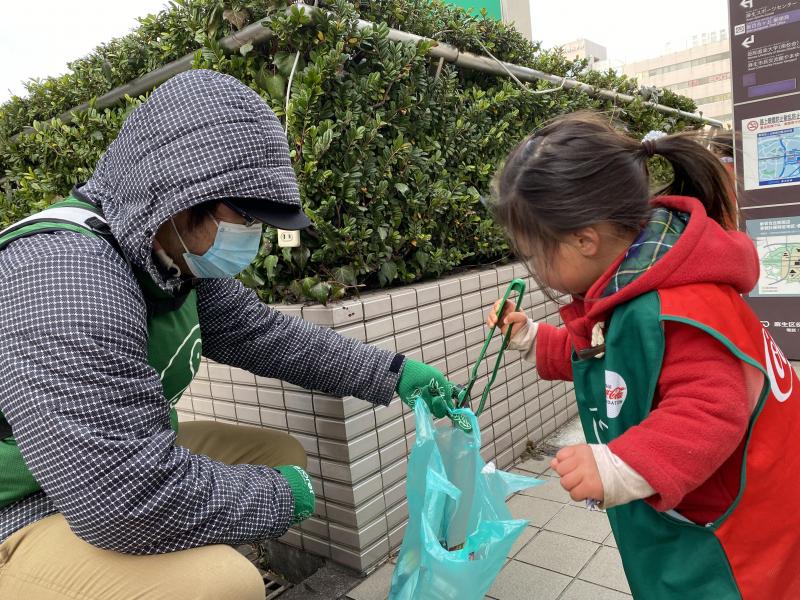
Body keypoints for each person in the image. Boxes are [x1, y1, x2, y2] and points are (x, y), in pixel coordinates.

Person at [0, 69, 459, 599]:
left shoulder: (166, 258)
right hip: (24, 506)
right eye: (243, 215)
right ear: (176, 195)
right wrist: (277, 499)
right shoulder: (66, 281)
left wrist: (392, 375)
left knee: (278, 454)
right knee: (223, 584)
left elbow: (263, 334)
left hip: (98, 468)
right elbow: (123, 501)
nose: (253, 236)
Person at [485, 111, 800, 599]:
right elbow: (604, 352)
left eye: (536, 254)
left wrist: (619, 464)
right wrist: (530, 337)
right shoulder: (643, 272)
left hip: (736, 536)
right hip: (722, 500)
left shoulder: (675, 305)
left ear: (583, 240)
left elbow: (711, 409)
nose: (537, 270)